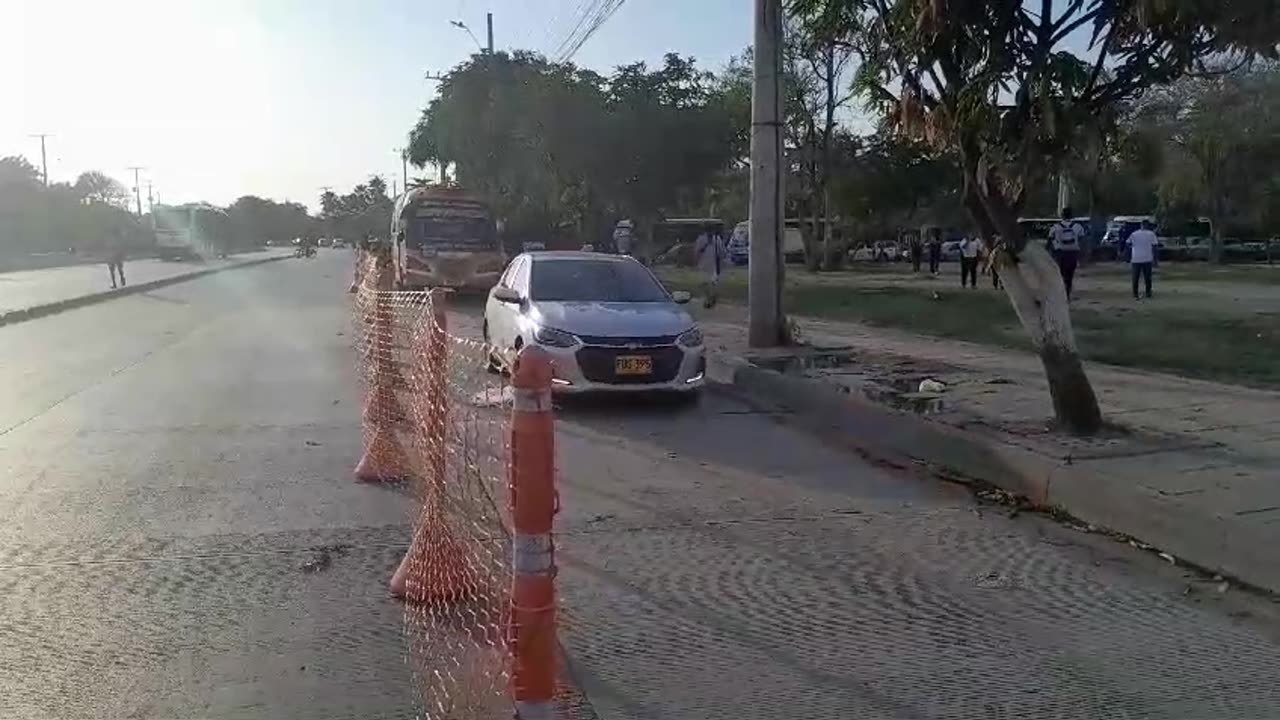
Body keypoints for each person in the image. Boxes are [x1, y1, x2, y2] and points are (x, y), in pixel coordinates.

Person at [1049, 207, 1085, 298]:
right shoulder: (1078, 226)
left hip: (1060, 253)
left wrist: (1051, 254)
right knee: (1070, 275)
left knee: (1060, 274)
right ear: (1072, 215)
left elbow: (1050, 241)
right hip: (1073, 253)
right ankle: (1067, 293)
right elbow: (1082, 240)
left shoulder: (1055, 227)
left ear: (1062, 215)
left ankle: (1060, 294)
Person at [694, 227, 726, 309]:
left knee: (713, 284)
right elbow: (697, 251)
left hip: (713, 265)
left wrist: (720, 263)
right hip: (703, 265)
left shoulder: (717, 239)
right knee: (703, 284)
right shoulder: (701, 239)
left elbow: (721, 252)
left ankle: (711, 299)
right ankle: (709, 298)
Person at [1127, 219, 1157, 299]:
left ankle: (1135, 294)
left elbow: (1128, 244)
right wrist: (1155, 259)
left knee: (1135, 277)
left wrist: (1133, 250)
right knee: (1147, 277)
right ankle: (1148, 293)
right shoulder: (1151, 234)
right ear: (1148, 225)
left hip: (1136, 258)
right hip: (1147, 258)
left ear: (1141, 225)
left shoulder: (1134, 234)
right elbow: (1154, 246)